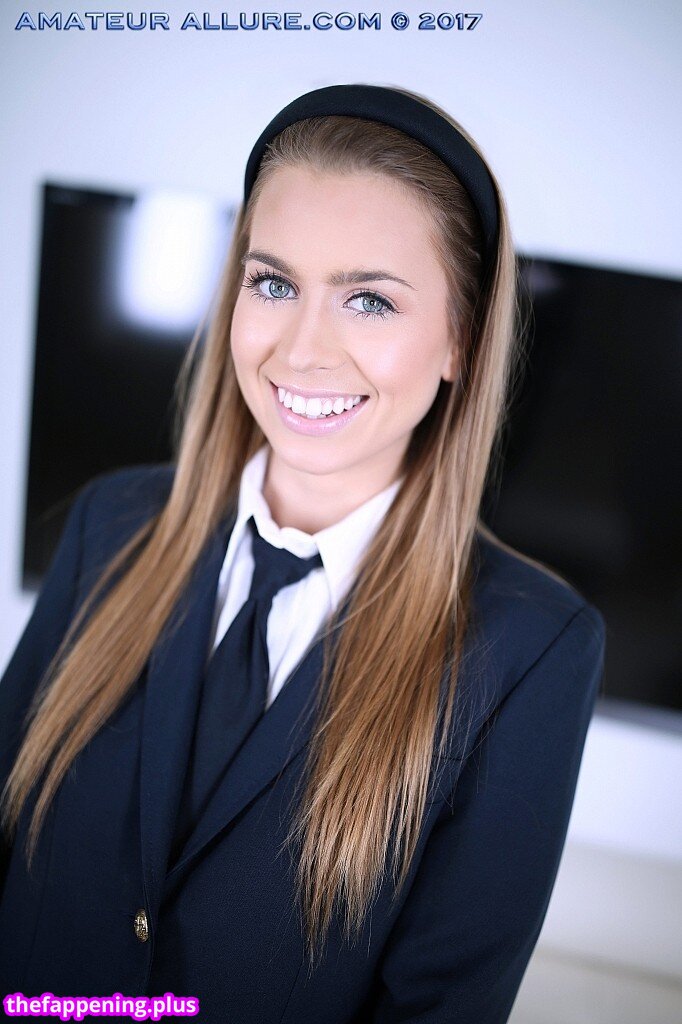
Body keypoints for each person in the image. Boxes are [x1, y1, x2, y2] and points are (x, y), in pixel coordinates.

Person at [0, 84, 606, 1023]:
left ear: (461, 338)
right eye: (274, 284)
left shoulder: (531, 651)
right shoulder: (109, 524)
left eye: (369, 300)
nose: (302, 349)